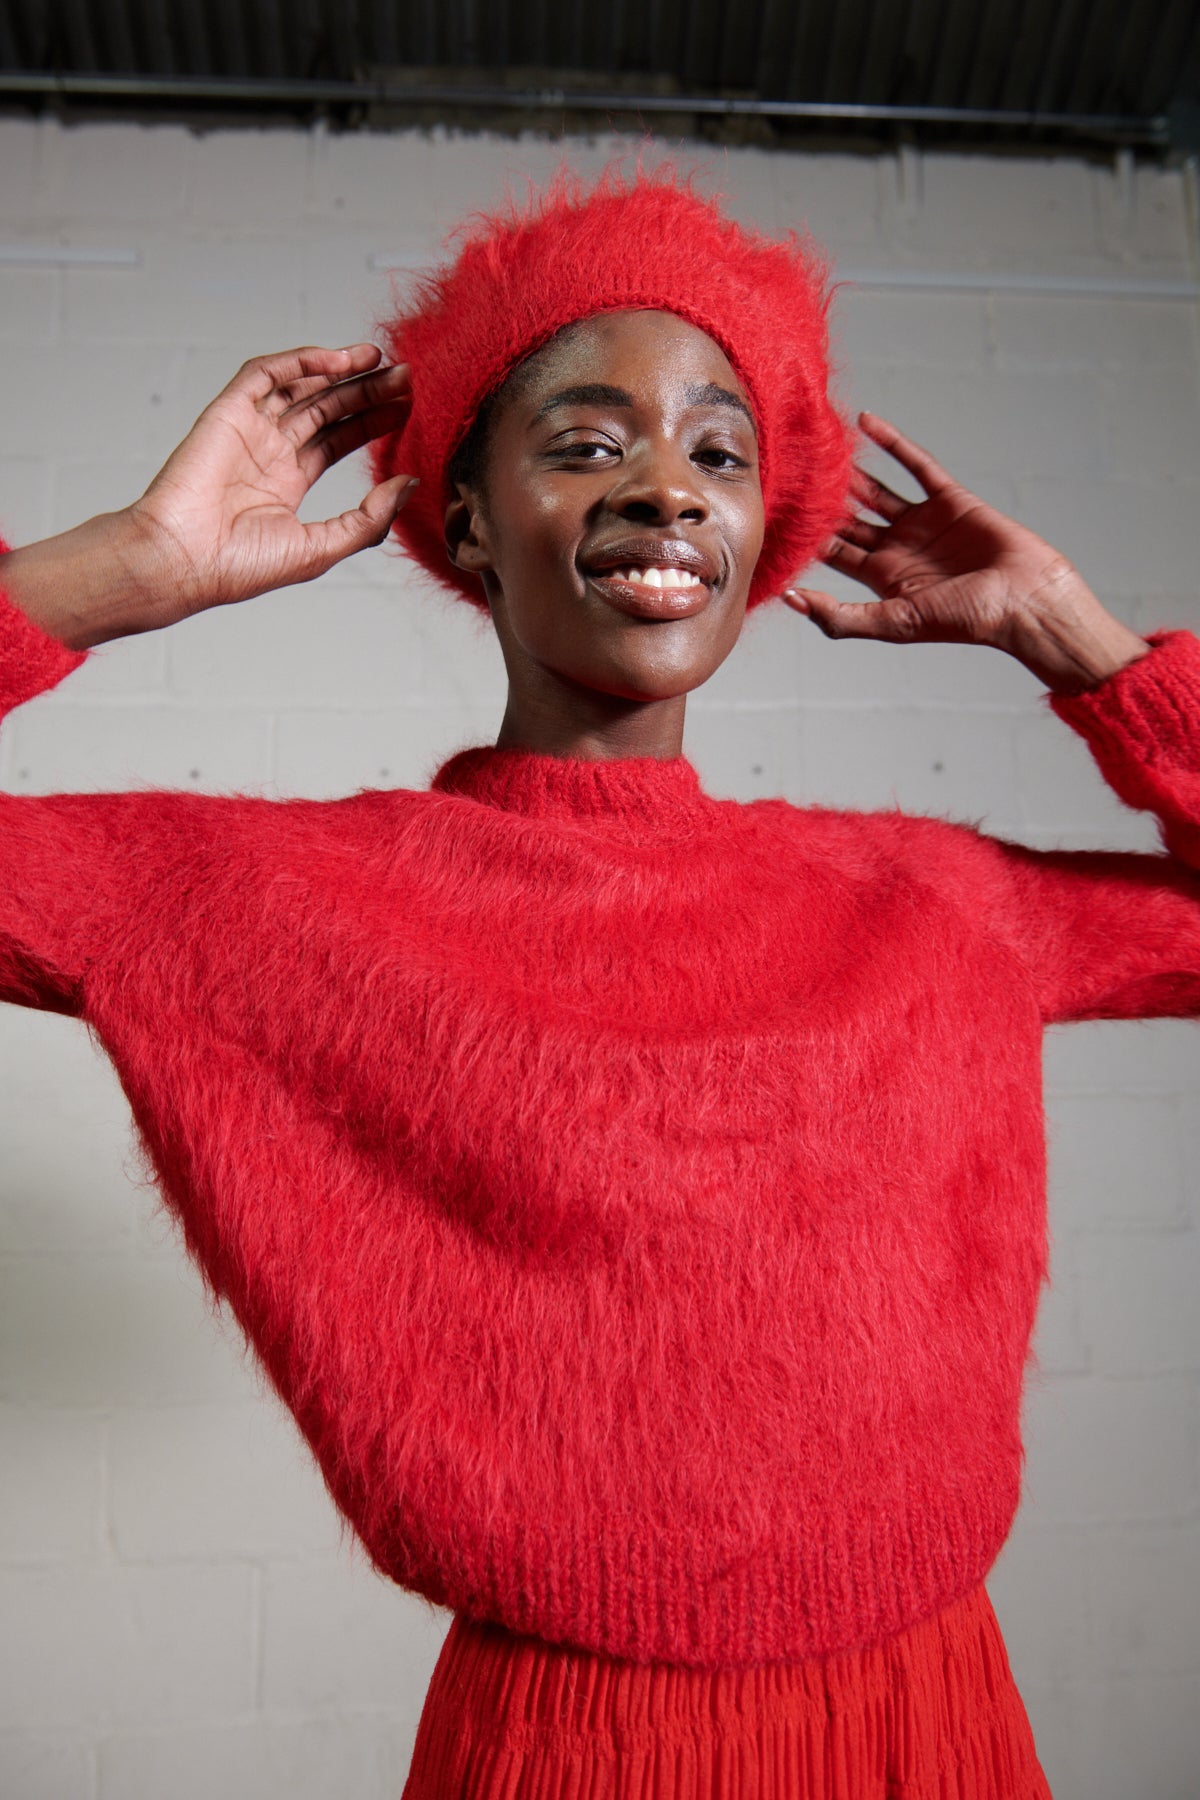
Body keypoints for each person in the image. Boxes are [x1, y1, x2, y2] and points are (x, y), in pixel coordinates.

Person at [1, 163, 1197, 1800]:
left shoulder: (929, 902)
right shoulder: (269, 902)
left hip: (940, 1729)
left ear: (760, 530)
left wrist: (1083, 644)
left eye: (720, 452)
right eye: (585, 444)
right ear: (467, 523)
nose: (667, 491)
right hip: (575, 1751)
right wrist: (116, 569)